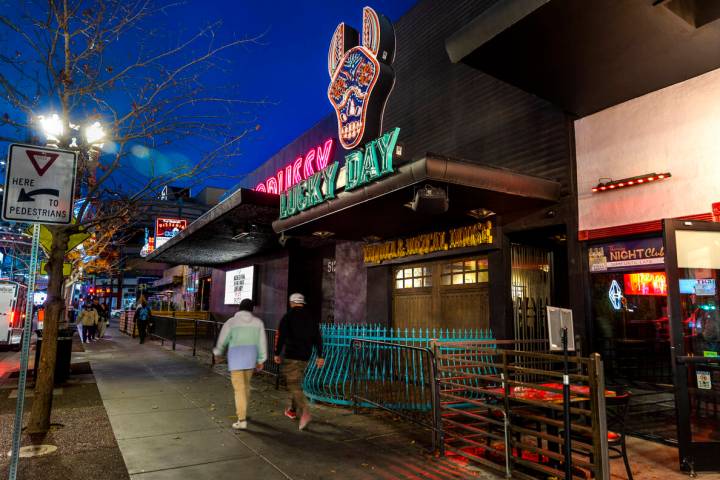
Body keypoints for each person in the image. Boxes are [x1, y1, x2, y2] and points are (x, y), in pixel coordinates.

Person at [213, 298, 267, 430]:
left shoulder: (231, 322)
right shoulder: (257, 322)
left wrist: (218, 352)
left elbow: (223, 339)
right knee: (246, 387)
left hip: (236, 358)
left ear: (239, 308)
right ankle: (243, 412)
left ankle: (241, 419)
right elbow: (262, 342)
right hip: (250, 358)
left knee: (239, 390)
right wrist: (261, 359)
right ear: (252, 309)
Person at [274, 293, 324, 431]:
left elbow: (282, 336)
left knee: (293, 384)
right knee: (297, 383)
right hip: (306, 357)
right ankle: (292, 410)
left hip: (292, 355)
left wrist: (277, 353)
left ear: (291, 303)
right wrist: (320, 356)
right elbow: (317, 338)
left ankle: (305, 411)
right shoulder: (311, 318)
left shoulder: (288, 317)